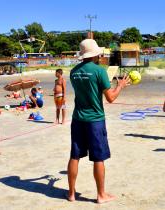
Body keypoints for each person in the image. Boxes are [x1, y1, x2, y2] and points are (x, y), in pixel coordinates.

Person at [67, 39, 130, 204]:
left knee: (75, 156)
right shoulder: (99, 71)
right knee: (98, 158)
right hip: (95, 119)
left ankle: (71, 194)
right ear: (95, 54)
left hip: (78, 118)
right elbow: (110, 98)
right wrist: (121, 85)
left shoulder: (73, 72)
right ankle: (101, 195)